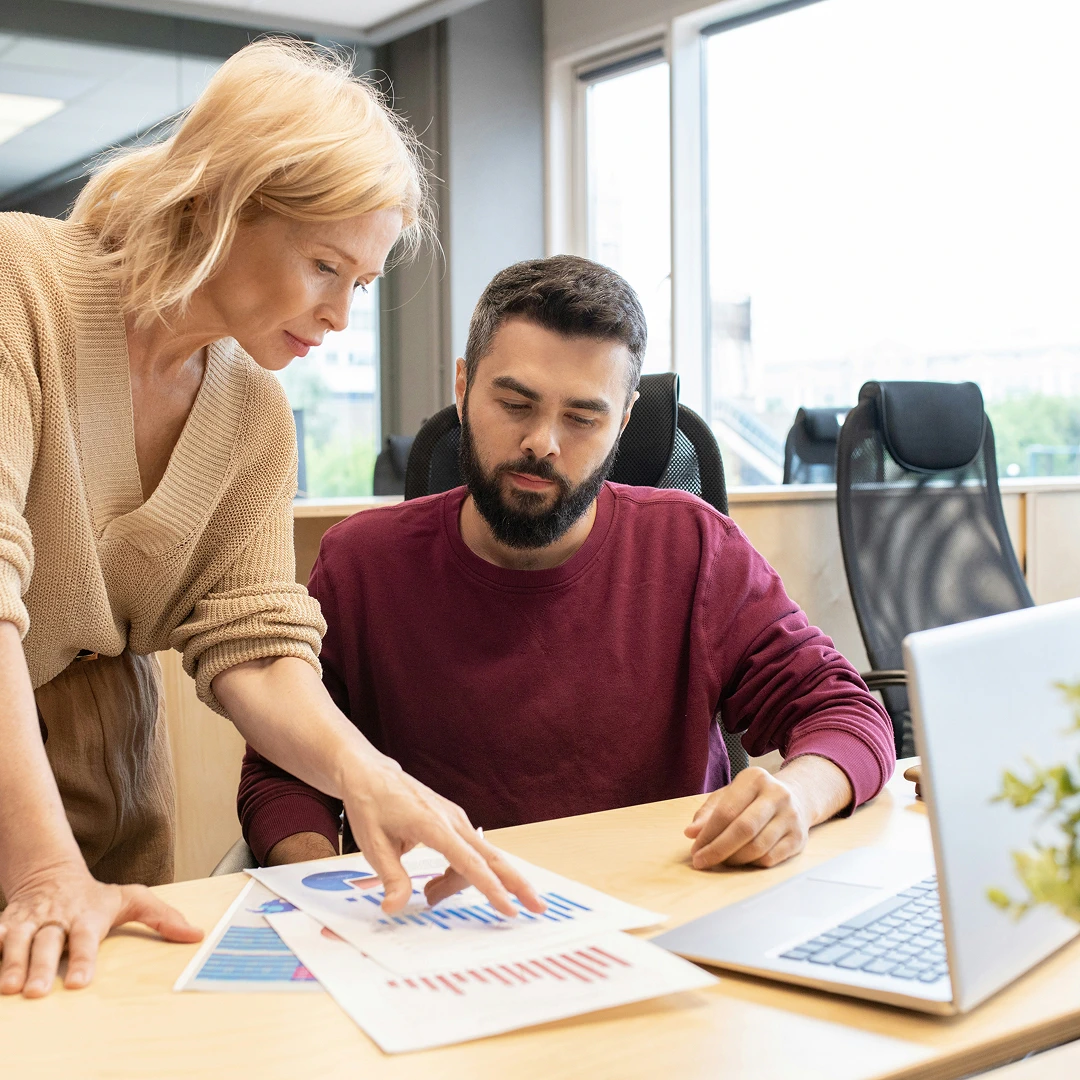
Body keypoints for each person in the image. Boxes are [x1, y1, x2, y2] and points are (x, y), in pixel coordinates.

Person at [0, 40, 543, 1001]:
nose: (340, 315)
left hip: (106, 778)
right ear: (220, 201)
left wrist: (366, 774)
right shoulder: (19, 289)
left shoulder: (250, 410)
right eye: (324, 265)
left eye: (362, 284)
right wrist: (43, 873)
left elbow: (250, 641)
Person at [238, 257, 897, 879]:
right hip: (439, 925)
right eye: (516, 405)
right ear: (463, 386)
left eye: (583, 417)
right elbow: (285, 770)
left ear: (624, 421)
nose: (542, 443)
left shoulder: (693, 547)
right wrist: (322, 882)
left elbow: (845, 712)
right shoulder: (362, 564)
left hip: (663, 909)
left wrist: (798, 798)